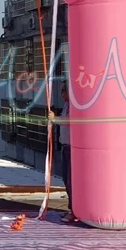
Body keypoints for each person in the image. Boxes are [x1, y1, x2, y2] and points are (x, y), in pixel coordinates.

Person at [49, 84, 76, 222]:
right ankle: (72, 208)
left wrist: (55, 118)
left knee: (71, 180)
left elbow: (69, 121)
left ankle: (74, 210)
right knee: (66, 179)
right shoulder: (67, 105)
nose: (62, 95)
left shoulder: (74, 105)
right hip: (65, 146)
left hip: (72, 147)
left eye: (63, 91)